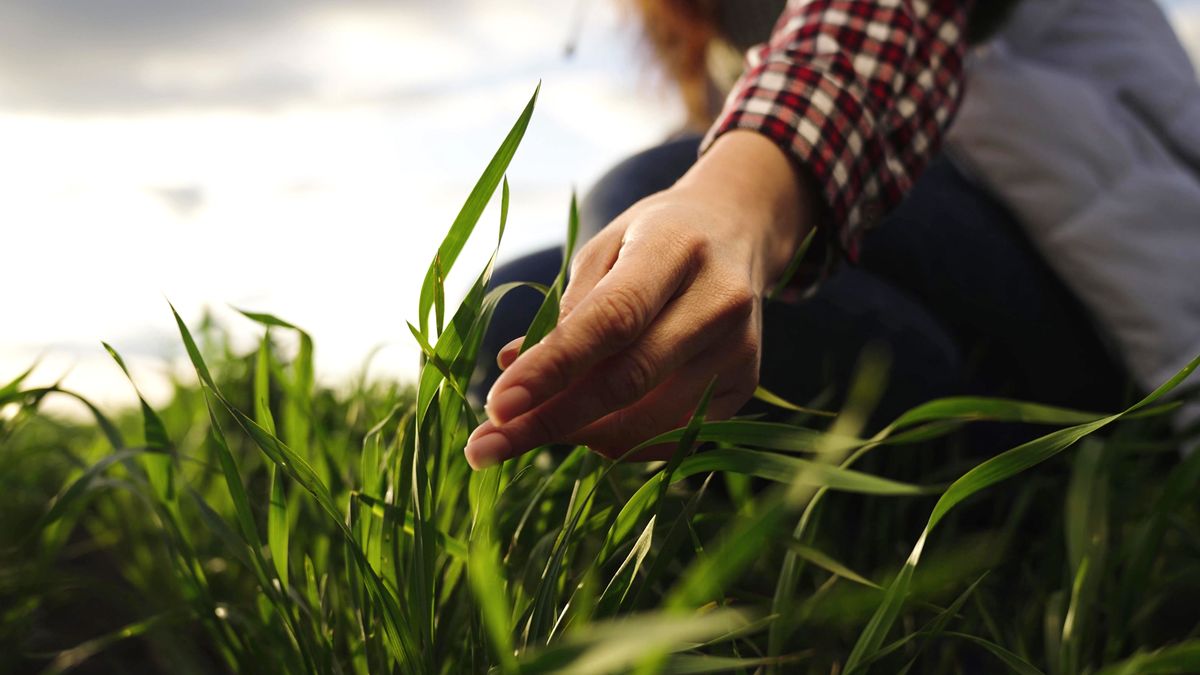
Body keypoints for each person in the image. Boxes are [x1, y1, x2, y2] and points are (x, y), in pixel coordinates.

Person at [463, 0, 1199, 469]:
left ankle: (1029, 471)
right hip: (908, 269)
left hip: (1100, 292)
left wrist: (729, 204)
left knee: (644, 189)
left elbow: (880, 20)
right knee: (512, 306)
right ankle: (915, 471)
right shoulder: (704, 24)